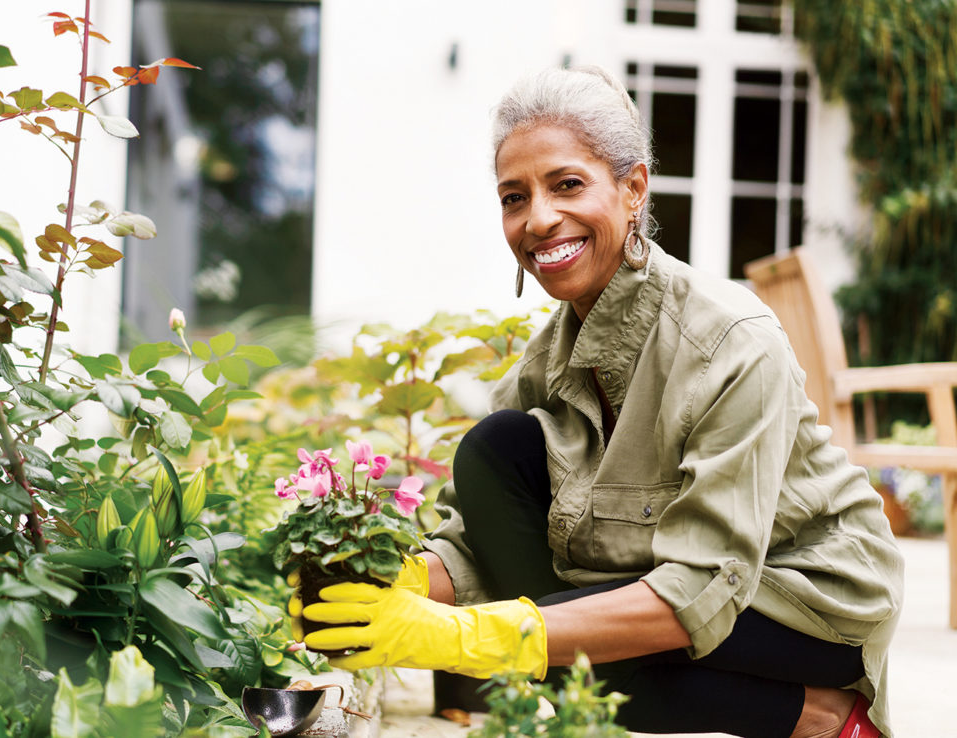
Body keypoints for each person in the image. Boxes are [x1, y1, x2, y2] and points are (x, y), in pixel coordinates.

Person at [296, 65, 903, 738]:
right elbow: (476, 540)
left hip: (803, 594)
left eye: (567, 185)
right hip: (671, 578)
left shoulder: (729, 339)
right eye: (514, 197)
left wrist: (470, 635)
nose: (539, 219)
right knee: (496, 448)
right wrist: (394, 586)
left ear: (633, 188)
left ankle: (827, 719)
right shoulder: (551, 354)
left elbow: (700, 590)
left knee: (594, 662)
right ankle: (797, 712)